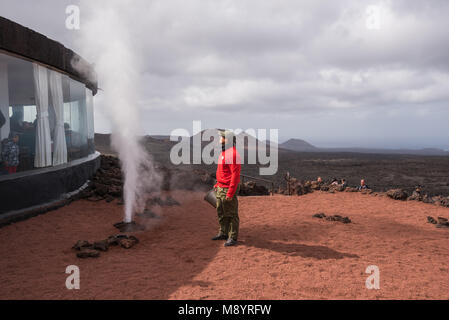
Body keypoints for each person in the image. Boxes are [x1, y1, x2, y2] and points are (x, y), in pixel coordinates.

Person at [212, 130, 241, 247]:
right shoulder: (224, 153)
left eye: (221, 137)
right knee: (221, 212)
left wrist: (230, 193)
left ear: (227, 140)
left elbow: (235, 175)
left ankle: (232, 237)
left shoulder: (233, 154)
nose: (219, 139)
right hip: (220, 187)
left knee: (232, 214)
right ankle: (223, 233)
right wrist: (217, 184)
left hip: (228, 188)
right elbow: (222, 172)